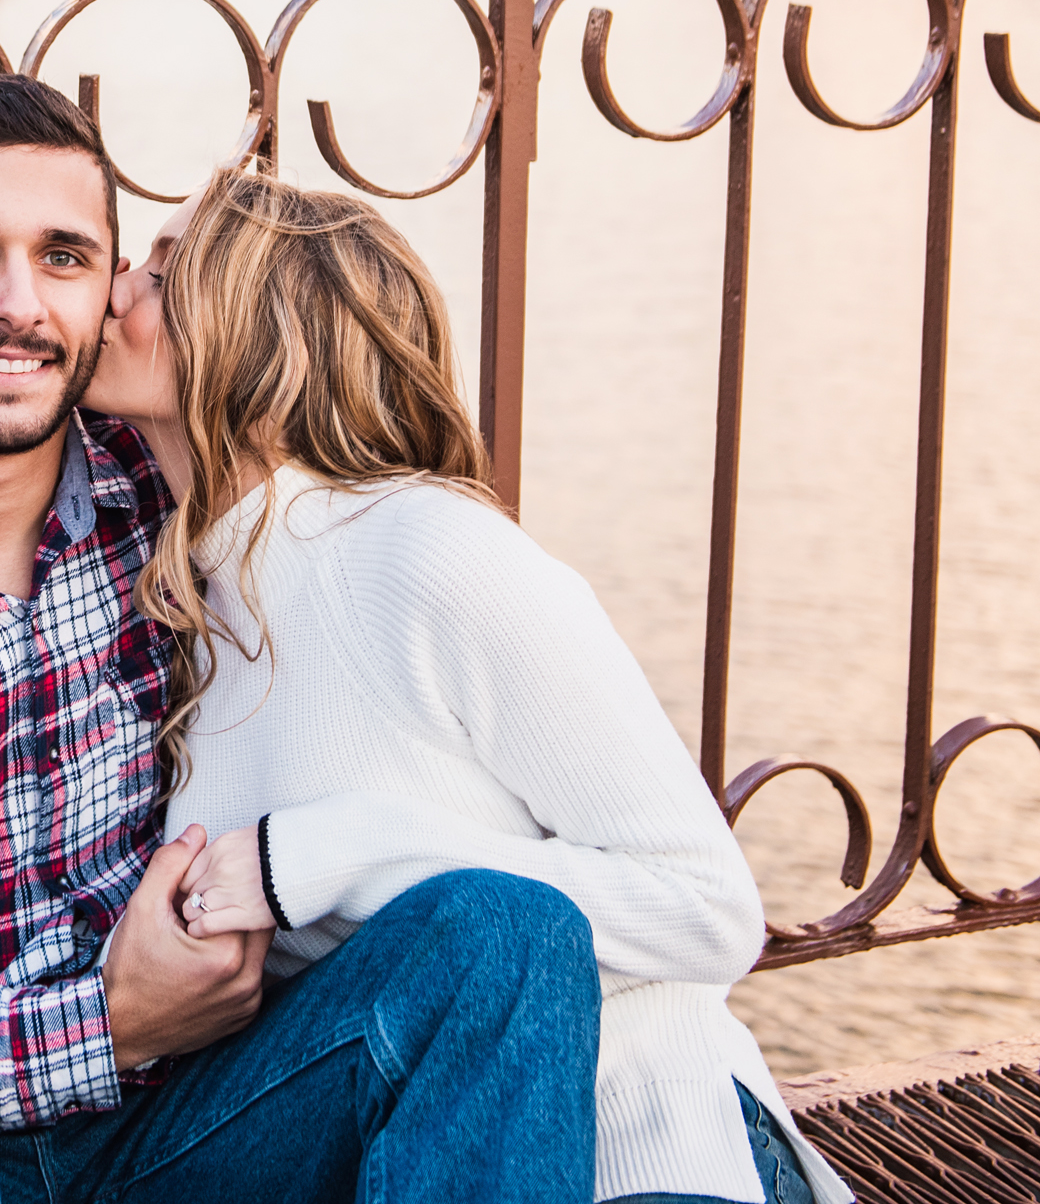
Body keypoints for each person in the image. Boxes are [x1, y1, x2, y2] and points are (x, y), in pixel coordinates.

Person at [0, 75, 605, 1204]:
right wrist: (104, 1023)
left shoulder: (165, 491)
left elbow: (340, 421)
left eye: (66, 258)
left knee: (501, 931)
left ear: (107, 290)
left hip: (182, 1132)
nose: (16, 303)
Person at [79, 167, 855, 1204]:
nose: (115, 287)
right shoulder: (197, 608)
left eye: (164, 271)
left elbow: (705, 907)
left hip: (634, 1140)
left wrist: (342, 855)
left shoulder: (423, 550)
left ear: (259, 338)